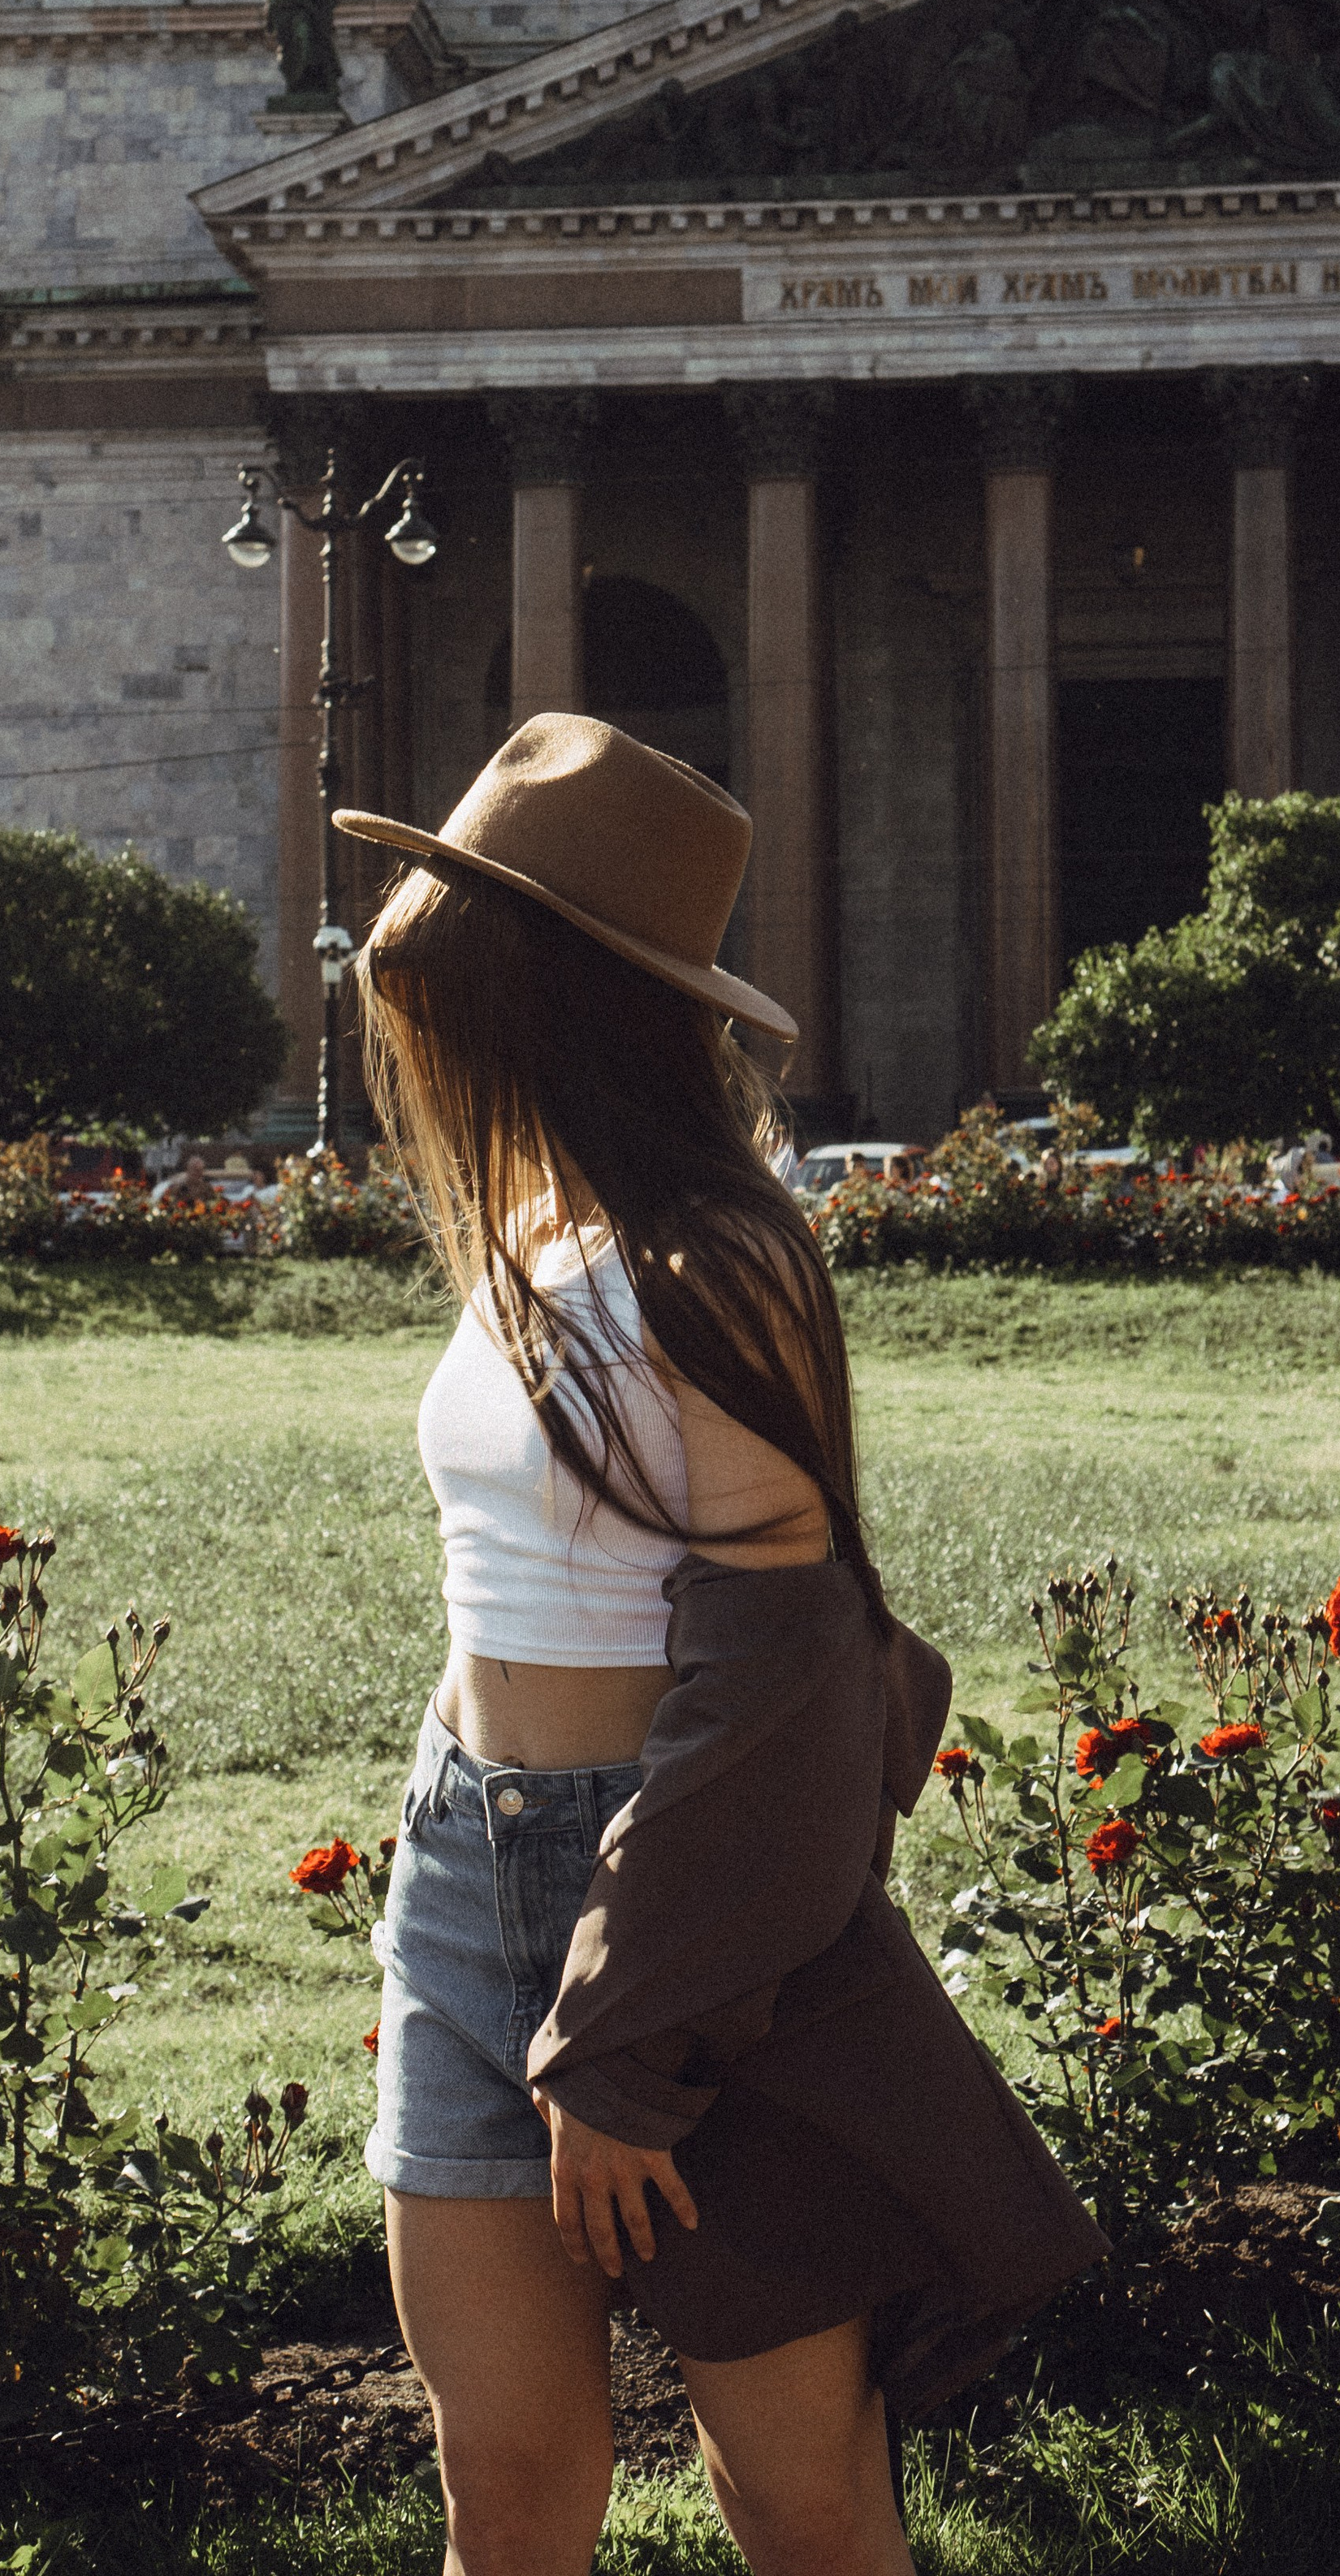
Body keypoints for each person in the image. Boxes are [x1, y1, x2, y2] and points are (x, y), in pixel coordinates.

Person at [335, 716, 1105, 2576]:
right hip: (466, 1880)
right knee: (504, 2487)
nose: (403, 994)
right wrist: (452, 1806)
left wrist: (621, 2036)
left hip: (685, 1910)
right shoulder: (525, 1225)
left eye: (444, 956)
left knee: (799, 2501)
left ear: (553, 988)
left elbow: (779, 1659)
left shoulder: (717, 1248)